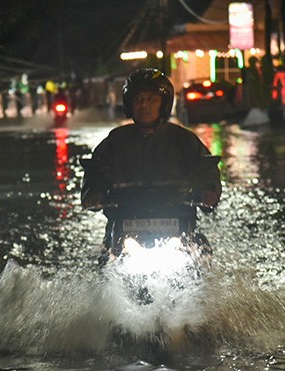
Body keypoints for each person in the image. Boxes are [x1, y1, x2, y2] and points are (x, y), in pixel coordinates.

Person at [81, 68, 221, 251]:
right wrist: (93, 194)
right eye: (138, 100)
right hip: (125, 220)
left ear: (163, 104)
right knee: (104, 260)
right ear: (129, 104)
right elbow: (96, 171)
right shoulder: (115, 141)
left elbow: (205, 170)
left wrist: (208, 192)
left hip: (177, 219)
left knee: (202, 256)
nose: (144, 105)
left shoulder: (184, 140)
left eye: (151, 100)